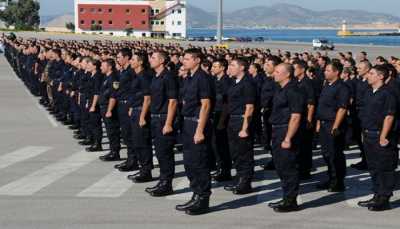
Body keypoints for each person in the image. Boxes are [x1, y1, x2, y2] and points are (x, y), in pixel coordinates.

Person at [175, 48, 214, 216]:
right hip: (187, 123)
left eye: (188, 58)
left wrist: (199, 130)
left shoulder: (202, 78)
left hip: (198, 124)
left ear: (197, 60)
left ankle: (203, 200)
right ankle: (196, 194)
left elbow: (205, 105)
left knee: (199, 163)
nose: (184, 61)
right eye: (184, 58)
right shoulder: (189, 77)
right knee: (189, 163)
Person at [357, 65, 398, 211]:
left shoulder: (388, 93)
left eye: (372, 73)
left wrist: (383, 136)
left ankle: (384, 199)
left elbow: (389, 116)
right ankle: (377, 194)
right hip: (368, 134)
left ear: (380, 76)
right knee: (373, 167)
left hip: (380, 136)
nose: (368, 75)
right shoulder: (369, 92)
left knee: (384, 167)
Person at [268, 63, 304, 212]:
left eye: (277, 71)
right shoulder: (280, 89)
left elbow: (295, 117)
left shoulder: (294, 91)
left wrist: (288, 138)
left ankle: (291, 201)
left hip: (286, 131)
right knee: (281, 166)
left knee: (288, 167)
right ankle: (286, 197)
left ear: (287, 74)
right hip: (277, 130)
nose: (273, 73)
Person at [145, 51, 178, 196]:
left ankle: (167, 184)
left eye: (153, 58)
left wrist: (169, 123)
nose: (150, 60)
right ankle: (162, 181)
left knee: (165, 153)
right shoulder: (155, 77)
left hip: (164, 119)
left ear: (162, 61)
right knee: (159, 152)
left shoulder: (168, 77)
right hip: (155, 118)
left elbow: (173, 101)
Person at [223, 58, 256, 195]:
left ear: (242, 68)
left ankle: (245, 182)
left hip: (242, 121)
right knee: (235, 153)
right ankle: (239, 179)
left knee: (244, 153)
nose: (230, 67)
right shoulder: (234, 82)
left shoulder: (248, 83)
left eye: (233, 65)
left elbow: (250, 107)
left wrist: (244, 128)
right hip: (233, 120)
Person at [316, 62, 350, 192]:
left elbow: (342, 108)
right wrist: (319, 123)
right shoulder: (327, 85)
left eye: (328, 70)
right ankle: (331, 178)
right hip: (324, 124)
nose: (325, 72)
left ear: (336, 72)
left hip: (333, 125)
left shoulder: (342, 87)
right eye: (325, 70)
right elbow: (322, 106)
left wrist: (335, 127)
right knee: (326, 154)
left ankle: (338, 182)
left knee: (335, 154)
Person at [126, 52, 154, 183]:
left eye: (133, 59)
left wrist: (142, 116)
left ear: (140, 62)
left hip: (141, 112)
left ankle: (146, 171)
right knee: (136, 142)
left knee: (143, 143)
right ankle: (142, 168)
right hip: (136, 110)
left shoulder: (144, 77)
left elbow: (147, 99)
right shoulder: (136, 75)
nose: (131, 61)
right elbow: (135, 95)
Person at [112, 48, 139, 172]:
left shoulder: (131, 72)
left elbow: (134, 91)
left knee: (130, 134)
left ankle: (133, 161)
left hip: (127, 105)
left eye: (119, 57)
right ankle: (129, 159)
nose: (117, 59)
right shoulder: (122, 71)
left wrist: (131, 105)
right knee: (126, 134)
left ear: (126, 57)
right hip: (121, 104)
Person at [210, 59, 233, 182]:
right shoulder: (214, 80)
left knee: (222, 145)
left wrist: (222, 122)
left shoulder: (227, 82)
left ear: (222, 68)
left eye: (215, 66)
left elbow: (226, 103)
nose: (212, 68)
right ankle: (220, 168)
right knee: (215, 144)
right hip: (214, 115)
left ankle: (225, 170)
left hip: (222, 117)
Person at [293, 60, 316, 180]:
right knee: (300, 145)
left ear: (302, 69)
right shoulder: (298, 82)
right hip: (300, 117)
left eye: (295, 68)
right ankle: (301, 168)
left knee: (305, 146)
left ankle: (305, 170)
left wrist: (309, 120)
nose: (293, 71)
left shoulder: (307, 83)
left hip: (305, 118)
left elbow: (311, 103)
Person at [98, 59, 122, 161]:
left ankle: (115, 152)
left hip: (109, 108)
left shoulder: (113, 78)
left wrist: (109, 110)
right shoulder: (106, 77)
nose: (101, 67)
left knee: (113, 131)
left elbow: (114, 95)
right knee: (109, 131)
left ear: (109, 67)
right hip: (104, 107)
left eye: (103, 66)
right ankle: (112, 151)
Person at [85, 58, 104, 152]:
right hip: (90, 100)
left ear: (95, 66)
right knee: (92, 122)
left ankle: (98, 144)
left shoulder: (97, 76)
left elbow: (97, 92)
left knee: (96, 124)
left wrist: (93, 105)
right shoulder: (91, 75)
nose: (87, 66)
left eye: (89, 65)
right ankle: (93, 141)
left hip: (95, 103)